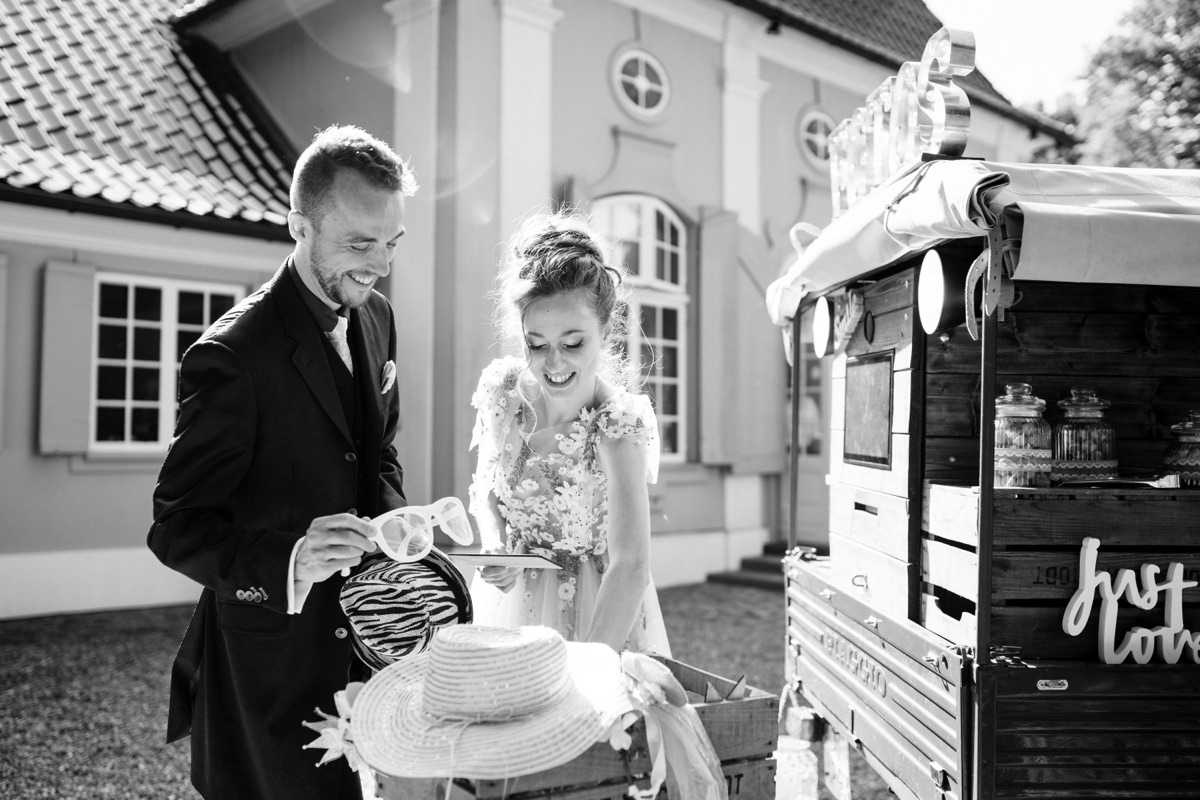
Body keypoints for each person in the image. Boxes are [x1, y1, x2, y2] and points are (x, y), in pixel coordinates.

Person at [147, 124, 416, 800]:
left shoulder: (377, 314)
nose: (379, 263)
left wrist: (397, 532)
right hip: (268, 663)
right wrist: (292, 559)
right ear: (298, 224)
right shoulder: (232, 356)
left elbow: (378, 451)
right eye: (359, 243)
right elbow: (177, 526)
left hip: (369, 646)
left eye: (391, 242)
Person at [467, 210, 671, 656]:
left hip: (597, 614)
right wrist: (494, 543)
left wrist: (589, 666)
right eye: (536, 344)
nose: (553, 363)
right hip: (509, 609)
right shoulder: (501, 393)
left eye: (573, 343)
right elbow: (486, 487)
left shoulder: (617, 424)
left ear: (606, 330)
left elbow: (632, 565)